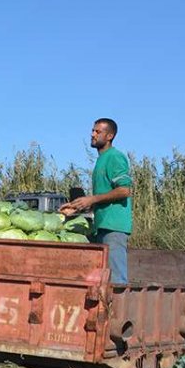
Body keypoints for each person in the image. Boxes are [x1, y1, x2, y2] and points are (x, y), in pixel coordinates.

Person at [60, 118, 134, 285]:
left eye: (97, 132)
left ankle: (118, 310)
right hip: (101, 226)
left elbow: (124, 190)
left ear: (110, 136)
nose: (92, 134)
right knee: (101, 281)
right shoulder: (102, 159)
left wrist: (92, 198)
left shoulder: (114, 157)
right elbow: (104, 196)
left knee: (116, 281)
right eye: (92, 131)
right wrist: (77, 207)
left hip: (114, 227)